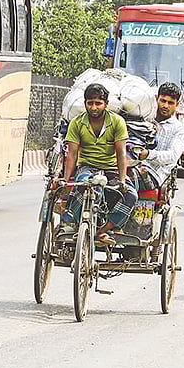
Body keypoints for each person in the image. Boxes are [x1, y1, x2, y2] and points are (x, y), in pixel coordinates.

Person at [58, 82, 138, 245]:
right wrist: (66, 181)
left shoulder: (117, 122)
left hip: (111, 169)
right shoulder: (77, 123)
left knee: (131, 195)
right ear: (85, 103)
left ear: (106, 104)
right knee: (89, 187)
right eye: (90, 103)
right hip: (87, 167)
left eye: (98, 103)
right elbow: (72, 154)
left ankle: (103, 230)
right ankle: (78, 224)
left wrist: (122, 180)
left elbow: (121, 153)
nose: (94, 107)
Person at [129, 83, 184, 190]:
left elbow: (173, 156)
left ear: (177, 104)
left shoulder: (179, 129)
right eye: (163, 101)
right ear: (157, 99)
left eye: (170, 103)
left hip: (153, 174)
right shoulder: (144, 119)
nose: (165, 106)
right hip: (130, 165)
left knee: (123, 183)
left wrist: (148, 154)